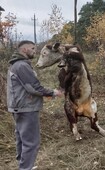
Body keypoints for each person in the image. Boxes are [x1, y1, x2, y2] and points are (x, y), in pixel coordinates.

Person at [6, 40, 63, 170]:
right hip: (26, 108)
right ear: (24, 50)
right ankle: (25, 167)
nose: (35, 51)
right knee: (31, 142)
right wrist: (53, 92)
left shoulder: (17, 64)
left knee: (22, 139)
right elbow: (33, 87)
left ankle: (24, 165)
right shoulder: (21, 65)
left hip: (19, 106)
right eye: (32, 48)